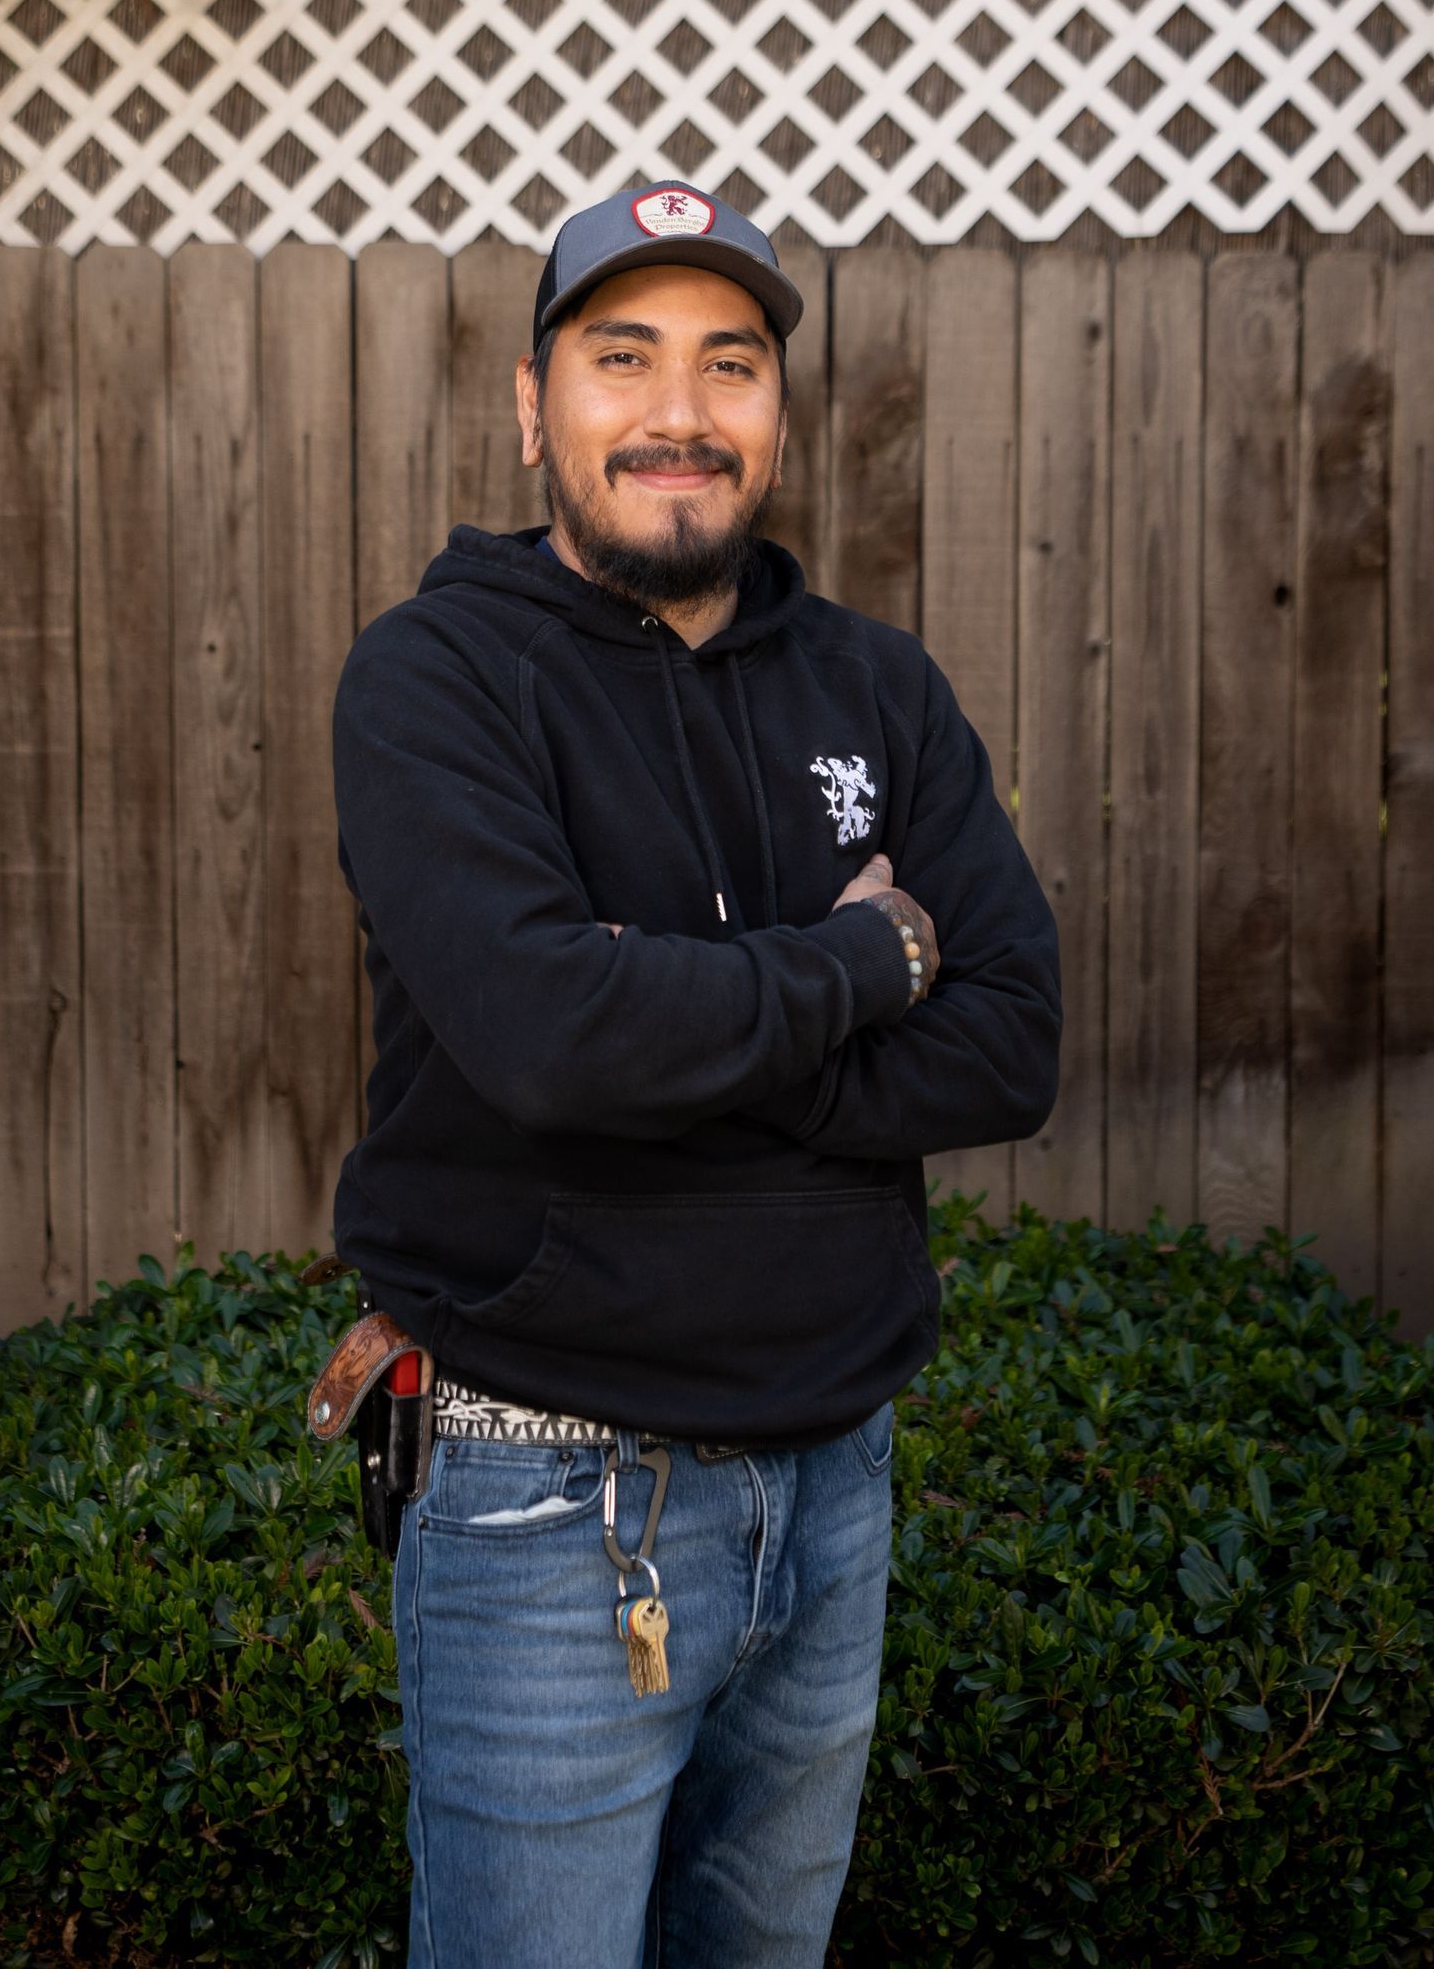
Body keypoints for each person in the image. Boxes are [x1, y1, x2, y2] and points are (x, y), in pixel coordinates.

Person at [330, 181, 1060, 1969]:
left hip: (833, 1490)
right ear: (533, 404)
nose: (681, 410)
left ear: (777, 415)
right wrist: (866, 965)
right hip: (541, 1502)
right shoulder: (439, 679)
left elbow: (1015, 1039)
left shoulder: (880, 690)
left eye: (730, 364)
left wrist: (690, 1034)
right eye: (624, 357)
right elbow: (545, 1037)